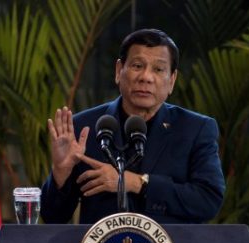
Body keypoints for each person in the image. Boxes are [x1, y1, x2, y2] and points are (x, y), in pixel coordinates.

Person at [40, 28, 225, 224]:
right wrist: (61, 172)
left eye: (158, 69)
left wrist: (137, 183)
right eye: (137, 65)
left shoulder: (194, 129)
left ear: (172, 80)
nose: (146, 77)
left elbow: (208, 200)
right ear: (119, 71)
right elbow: (53, 216)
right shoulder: (84, 128)